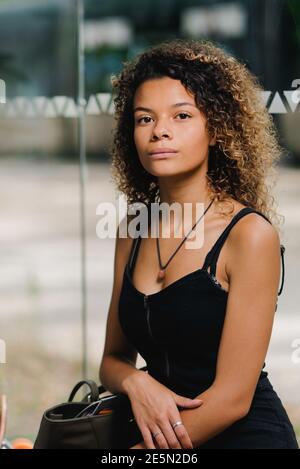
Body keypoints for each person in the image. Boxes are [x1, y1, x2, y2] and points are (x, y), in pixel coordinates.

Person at [99, 39, 299, 449]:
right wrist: (139, 383)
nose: (160, 131)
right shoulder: (132, 229)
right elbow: (111, 362)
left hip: (243, 437)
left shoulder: (249, 235)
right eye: (144, 119)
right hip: (159, 434)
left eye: (182, 115)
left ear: (217, 129)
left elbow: (232, 400)